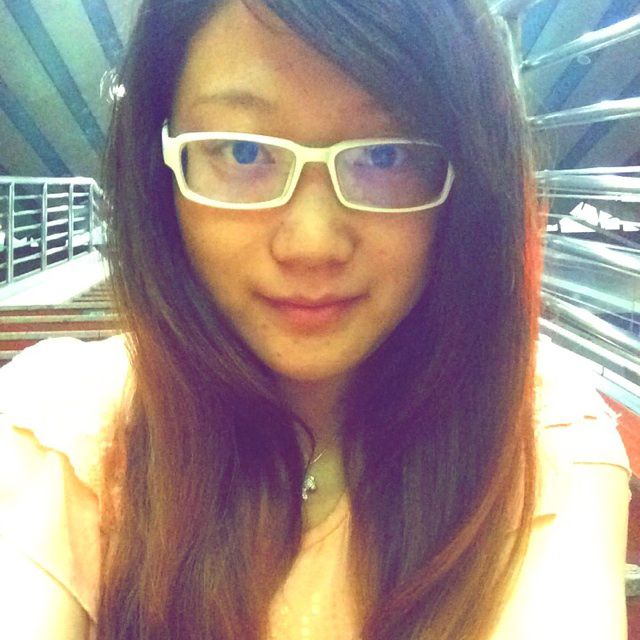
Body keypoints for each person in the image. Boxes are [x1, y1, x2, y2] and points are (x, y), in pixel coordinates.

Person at [0, 0, 632, 638]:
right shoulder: (62, 425)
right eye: (244, 151)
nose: (311, 243)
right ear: (160, 165)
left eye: (385, 158)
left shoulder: (537, 437)